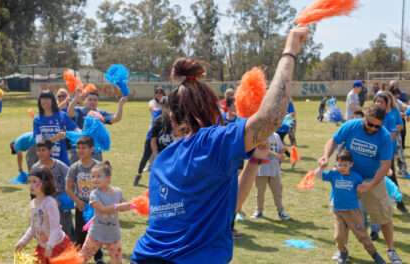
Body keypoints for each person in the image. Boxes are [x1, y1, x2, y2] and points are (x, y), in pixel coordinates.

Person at [131, 27, 309, 263]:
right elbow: (271, 118)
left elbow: (228, 207)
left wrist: (255, 160)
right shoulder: (211, 142)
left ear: (173, 119)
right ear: (210, 109)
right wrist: (290, 50)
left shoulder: (163, 160)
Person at [319, 105, 402, 264]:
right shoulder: (352, 125)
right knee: (342, 215)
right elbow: (333, 140)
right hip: (347, 176)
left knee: (383, 216)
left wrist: (370, 186)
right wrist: (325, 156)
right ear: (364, 118)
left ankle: (391, 250)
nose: (372, 128)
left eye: (377, 126)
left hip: (371, 179)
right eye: (369, 124)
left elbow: (385, 165)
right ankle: (342, 250)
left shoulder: (384, 137)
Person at [315, 150, 386, 264]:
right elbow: (318, 175)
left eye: (345, 165)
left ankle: (374, 254)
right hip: (338, 211)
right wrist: (321, 167)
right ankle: (343, 253)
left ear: (351, 164)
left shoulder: (356, 177)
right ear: (336, 164)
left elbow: (361, 191)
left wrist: (360, 190)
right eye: (339, 165)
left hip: (353, 212)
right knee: (339, 236)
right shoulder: (334, 175)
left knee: (361, 234)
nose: (342, 167)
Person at [15, 167, 73, 264]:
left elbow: (55, 228)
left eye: (34, 181)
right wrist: (23, 242)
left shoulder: (50, 203)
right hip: (43, 247)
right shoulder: (33, 203)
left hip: (57, 246)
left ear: (45, 183)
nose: (31, 185)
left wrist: (50, 246)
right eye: (29, 182)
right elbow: (33, 227)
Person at [80, 161, 131, 264]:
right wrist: (118, 206)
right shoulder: (94, 194)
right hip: (96, 233)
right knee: (83, 257)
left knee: (117, 261)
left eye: (98, 176)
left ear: (108, 178)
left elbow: (124, 206)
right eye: (93, 176)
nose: (95, 179)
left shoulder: (118, 192)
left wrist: (130, 205)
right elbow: (102, 209)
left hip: (113, 234)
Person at [65, 136, 103, 264]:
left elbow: (105, 187)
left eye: (84, 148)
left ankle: (98, 257)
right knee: (80, 234)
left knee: (96, 233)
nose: (80, 150)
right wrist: (77, 201)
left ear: (91, 149)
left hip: (96, 207)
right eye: (78, 148)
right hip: (81, 206)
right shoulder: (75, 167)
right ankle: (78, 258)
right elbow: (68, 188)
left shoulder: (98, 166)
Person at [68, 87, 127, 162]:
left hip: (95, 150)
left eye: (95, 100)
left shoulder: (100, 114)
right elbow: (70, 113)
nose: (92, 102)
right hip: (79, 149)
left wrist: (120, 105)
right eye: (90, 99)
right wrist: (75, 99)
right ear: (85, 101)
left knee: (96, 172)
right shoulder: (79, 110)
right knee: (76, 171)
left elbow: (116, 118)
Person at [373, 92, 408, 213]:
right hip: (372, 152)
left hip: (386, 153)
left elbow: (393, 135)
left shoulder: (390, 116)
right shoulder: (373, 115)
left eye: (381, 102)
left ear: (387, 103)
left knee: (390, 177)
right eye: (376, 101)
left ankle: (399, 202)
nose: (378, 104)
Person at [32, 140, 74, 240]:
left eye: (43, 150)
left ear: (50, 151)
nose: (41, 153)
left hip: (61, 200)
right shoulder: (35, 168)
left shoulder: (59, 165)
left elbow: (71, 179)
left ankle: (70, 245)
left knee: (65, 226)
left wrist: (65, 196)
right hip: (44, 201)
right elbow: (33, 187)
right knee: (46, 226)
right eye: (38, 150)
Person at [34, 91, 78, 166]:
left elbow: (75, 130)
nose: (45, 101)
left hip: (62, 159)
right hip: (45, 160)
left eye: (48, 98)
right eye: (43, 99)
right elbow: (39, 143)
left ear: (53, 101)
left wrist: (85, 133)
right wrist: (56, 138)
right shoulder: (37, 119)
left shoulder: (61, 115)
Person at [252, 133, 290, 221]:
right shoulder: (261, 135)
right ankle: (259, 211)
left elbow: (280, 148)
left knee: (277, 191)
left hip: (274, 168)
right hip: (262, 168)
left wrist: (283, 151)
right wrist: (277, 155)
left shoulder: (276, 136)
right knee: (260, 192)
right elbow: (262, 148)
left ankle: (281, 211)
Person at [134, 87, 166, 186]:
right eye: (157, 93)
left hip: (164, 135)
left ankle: (162, 180)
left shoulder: (166, 102)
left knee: (164, 157)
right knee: (146, 156)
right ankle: (138, 175)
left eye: (161, 93)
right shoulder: (152, 103)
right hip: (152, 133)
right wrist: (164, 108)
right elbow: (154, 111)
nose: (159, 95)